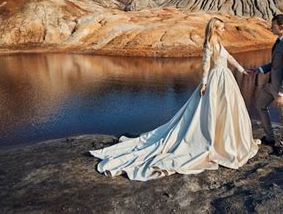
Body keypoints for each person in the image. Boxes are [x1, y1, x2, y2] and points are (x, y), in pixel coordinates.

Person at [90, 17, 260, 181]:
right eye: (222, 27)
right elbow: (206, 66)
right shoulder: (209, 45)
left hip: (226, 78)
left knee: (227, 109)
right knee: (214, 110)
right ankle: (214, 141)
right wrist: (203, 84)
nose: (224, 30)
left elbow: (229, 57)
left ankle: (227, 139)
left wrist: (241, 69)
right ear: (215, 29)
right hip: (215, 80)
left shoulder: (220, 43)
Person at [247, 14, 283, 156]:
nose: (270, 28)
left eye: (273, 26)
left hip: (282, 88)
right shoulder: (279, 41)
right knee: (260, 106)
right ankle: (270, 138)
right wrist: (259, 69)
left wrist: (282, 94)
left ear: (282, 27)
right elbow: (275, 64)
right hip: (271, 84)